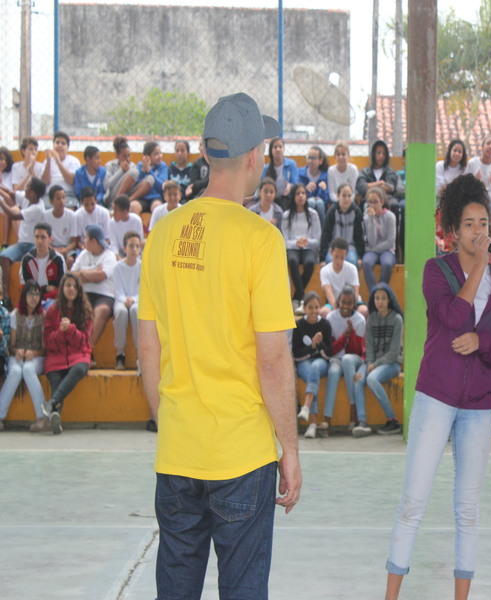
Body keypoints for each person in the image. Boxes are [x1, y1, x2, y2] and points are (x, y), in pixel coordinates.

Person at [138, 92, 301, 598]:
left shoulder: (162, 235)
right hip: (241, 458)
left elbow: (147, 352)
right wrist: (290, 450)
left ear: (208, 155)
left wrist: (172, 425)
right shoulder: (261, 240)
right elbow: (272, 361)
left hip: (178, 452)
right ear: (254, 157)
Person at [385, 173, 491, 600]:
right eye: (471, 224)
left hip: (478, 405)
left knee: (468, 510)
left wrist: (482, 342)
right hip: (435, 397)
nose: (480, 232)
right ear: (454, 231)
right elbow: (455, 317)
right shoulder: (435, 271)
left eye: (485, 224)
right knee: (412, 502)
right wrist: (478, 267)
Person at [42, 273, 93, 435]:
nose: (71, 289)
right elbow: (48, 342)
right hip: (55, 358)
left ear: (79, 290)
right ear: (62, 288)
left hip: (78, 356)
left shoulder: (85, 311)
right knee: (56, 379)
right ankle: (55, 415)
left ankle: (52, 403)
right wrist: (61, 332)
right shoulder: (52, 311)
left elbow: (84, 341)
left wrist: (70, 329)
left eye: (74, 286)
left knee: (79, 369)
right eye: (68, 285)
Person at [355, 282, 403, 436]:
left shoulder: (397, 319)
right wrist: (369, 363)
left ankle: (392, 420)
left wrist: (375, 365)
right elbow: (368, 347)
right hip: (372, 363)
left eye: (383, 298)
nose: (380, 302)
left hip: (392, 363)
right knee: (358, 378)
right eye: (377, 298)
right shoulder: (371, 319)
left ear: (389, 300)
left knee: (372, 379)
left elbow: (394, 352)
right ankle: (362, 422)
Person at [0, 281, 47, 432]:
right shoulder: (15, 314)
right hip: (19, 356)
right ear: (24, 295)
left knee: (27, 370)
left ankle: (42, 417)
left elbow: (44, 349)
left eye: (37, 294)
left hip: (36, 357)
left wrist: (34, 353)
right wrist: (17, 351)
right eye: (30, 294)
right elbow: (11, 345)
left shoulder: (43, 316)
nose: (34, 297)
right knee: (15, 371)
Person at [71, 224, 117, 361]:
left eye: (85, 238)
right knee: (78, 308)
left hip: (105, 295)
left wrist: (84, 272)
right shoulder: (83, 254)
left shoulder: (109, 256)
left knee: (102, 310)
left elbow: (101, 276)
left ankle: (86, 348)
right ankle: (82, 352)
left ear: (93, 241)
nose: (83, 241)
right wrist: (92, 271)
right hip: (85, 294)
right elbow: (73, 275)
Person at [324, 285, 367, 433]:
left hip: (353, 359)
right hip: (336, 358)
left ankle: (353, 414)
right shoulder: (330, 318)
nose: (346, 306)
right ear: (338, 301)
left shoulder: (360, 320)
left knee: (347, 360)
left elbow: (356, 351)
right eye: (343, 302)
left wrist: (352, 333)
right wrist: (344, 336)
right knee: (333, 372)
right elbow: (331, 350)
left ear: (354, 304)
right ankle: (327, 420)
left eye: (349, 303)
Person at [294, 291, 333, 439]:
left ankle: (308, 412)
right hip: (304, 363)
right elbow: (296, 354)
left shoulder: (325, 324)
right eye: (310, 307)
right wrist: (312, 346)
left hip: (321, 362)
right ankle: (311, 423)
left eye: (317, 307)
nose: (314, 311)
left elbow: (329, 353)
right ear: (305, 309)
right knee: (312, 372)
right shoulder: (299, 325)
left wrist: (320, 343)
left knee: (315, 368)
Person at [0, 176, 46, 296]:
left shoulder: (38, 208)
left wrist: (1, 201)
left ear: (32, 193)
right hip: (21, 244)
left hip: (33, 246)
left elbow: (13, 215)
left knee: (29, 261)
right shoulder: (28, 198)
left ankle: (30, 293)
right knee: (3, 257)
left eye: (27, 187)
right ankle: (5, 295)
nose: (24, 189)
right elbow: (11, 193)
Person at [281, 183, 321, 312]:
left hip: (308, 247)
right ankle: (302, 297)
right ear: (293, 197)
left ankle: (296, 298)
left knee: (310, 262)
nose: (301, 196)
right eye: (298, 193)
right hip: (293, 247)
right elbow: (285, 240)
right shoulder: (286, 215)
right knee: (292, 261)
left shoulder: (313, 214)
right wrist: (296, 242)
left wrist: (307, 241)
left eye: (303, 193)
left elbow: (318, 239)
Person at [111, 231, 141, 370]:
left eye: (137, 246)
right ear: (124, 248)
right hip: (120, 300)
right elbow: (117, 290)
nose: (134, 249)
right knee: (121, 312)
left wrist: (133, 300)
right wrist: (125, 300)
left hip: (137, 301)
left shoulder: (142, 266)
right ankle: (120, 354)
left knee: (136, 311)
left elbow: (143, 290)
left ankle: (139, 353)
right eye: (131, 246)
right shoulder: (117, 267)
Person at [20, 222, 67, 309]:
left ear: (50, 239)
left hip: (52, 299)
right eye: (37, 237)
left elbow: (61, 287)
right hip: (31, 299)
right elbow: (25, 287)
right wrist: (45, 289)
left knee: (50, 310)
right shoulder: (26, 259)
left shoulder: (58, 259)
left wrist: (41, 294)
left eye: (43, 237)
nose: (39, 241)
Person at [319, 237, 366, 319]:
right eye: (336, 257)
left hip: (351, 302)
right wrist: (336, 308)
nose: (338, 261)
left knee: (363, 311)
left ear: (346, 256)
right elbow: (328, 291)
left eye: (342, 258)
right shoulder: (324, 270)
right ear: (331, 253)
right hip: (334, 302)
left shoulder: (352, 268)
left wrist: (350, 308)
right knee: (324, 312)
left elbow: (355, 291)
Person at [362, 187, 397, 293]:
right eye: (370, 202)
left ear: (382, 202)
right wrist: (372, 219)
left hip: (387, 250)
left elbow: (390, 241)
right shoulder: (367, 218)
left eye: (375, 202)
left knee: (387, 264)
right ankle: (373, 293)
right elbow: (371, 240)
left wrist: (373, 249)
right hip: (372, 250)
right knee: (366, 262)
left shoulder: (390, 216)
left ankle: (381, 291)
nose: (373, 205)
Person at [319, 182, 364, 265]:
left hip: (350, 248)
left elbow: (359, 236)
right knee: (330, 262)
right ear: (338, 196)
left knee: (352, 262)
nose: (346, 199)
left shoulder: (357, 212)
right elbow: (325, 235)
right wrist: (322, 258)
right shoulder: (332, 212)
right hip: (333, 247)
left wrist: (360, 256)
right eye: (344, 195)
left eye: (349, 196)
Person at [42, 131, 81, 208]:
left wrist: (58, 162)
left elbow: (71, 180)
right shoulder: (46, 161)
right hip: (49, 196)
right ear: (53, 145)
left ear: (67, 147)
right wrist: (49, 161)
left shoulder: (73, 161)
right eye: (57, 142)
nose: (59, 145)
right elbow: (44, 182)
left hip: (68, 195)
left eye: (63, 143)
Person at [127, 141, 168, 215]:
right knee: (133, 206)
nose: (160, 156)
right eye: (156, 154)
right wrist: (143, 171)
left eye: (160, 153)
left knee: (157, 207)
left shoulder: (162, 166)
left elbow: (162, 185)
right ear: (147, 156)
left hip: (156, 197)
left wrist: (149, 171)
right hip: (141, 198)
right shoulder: (140, 166)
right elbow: (137, 185)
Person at [44, 185, 78, 267]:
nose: (62, 201)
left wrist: (65, 250)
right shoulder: (45, 216)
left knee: (70, 260)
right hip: (51, 247)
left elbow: (74, 242)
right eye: (58, 199)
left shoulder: (72, 215)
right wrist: (54, 249)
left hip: (67, 247)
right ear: (51, 201)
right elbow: (44, 239)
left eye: (63, 198)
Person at [468, 136, 491, 215]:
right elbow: (465, 188)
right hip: (474, 200)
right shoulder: (472, 163)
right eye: (488, 143)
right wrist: (474, 181)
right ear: (482, 147)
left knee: (487, 206)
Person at [263, 136, 298, 208]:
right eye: (275, 147)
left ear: (284, 149)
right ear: (271, 150)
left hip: (286, 198)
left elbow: (295, 182)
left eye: (280, 147)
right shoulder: (266, 168)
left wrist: (290, 186)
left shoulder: (291, 164)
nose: (278, 149)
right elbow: (262, 185)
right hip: (271, 199)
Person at [298, 145, 329, 224]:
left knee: (319, 203)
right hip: (305, 204)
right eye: (309, 157)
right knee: (311, 202)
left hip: (321, 205)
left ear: (320, 161)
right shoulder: (300, 173)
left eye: (313, 158)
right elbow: (296, 193)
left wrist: (324, 190)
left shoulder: (326, 175)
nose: (310, 161)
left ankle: (322, 231)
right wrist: (305, 190)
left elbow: (327, 199)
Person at [103, 136, 135, 208]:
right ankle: (114, 204)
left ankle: (128, 200)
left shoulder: (132, 166)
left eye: (129, 155)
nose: (127, 159)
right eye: (124, 156)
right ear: (117, 155)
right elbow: (107, 185)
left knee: (149, 178)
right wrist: (121, 171)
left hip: (127, 194)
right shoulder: (110, 165)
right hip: (112, 194)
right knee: (133, 173)